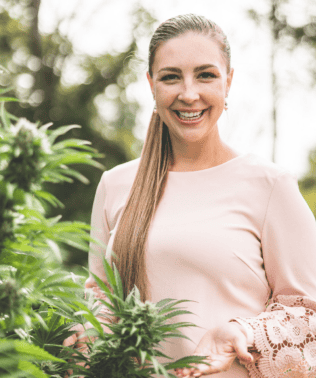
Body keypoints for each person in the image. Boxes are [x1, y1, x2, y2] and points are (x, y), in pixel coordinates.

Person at [65, 14, 316, 378]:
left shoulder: (270, 185)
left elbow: (310, 315)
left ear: (228, 81)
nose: (188, 93)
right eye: (170, 76)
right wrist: (88, 334)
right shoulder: (116, 184)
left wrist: (242, 331)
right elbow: (102, 300)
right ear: (151, 84)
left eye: (205, 74)